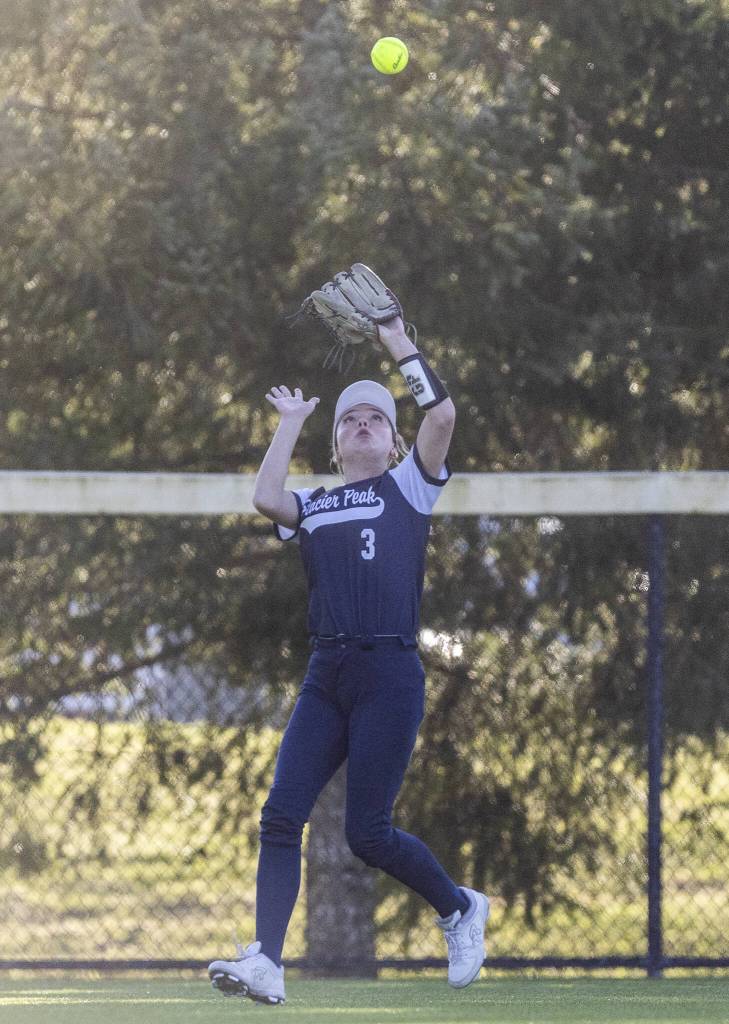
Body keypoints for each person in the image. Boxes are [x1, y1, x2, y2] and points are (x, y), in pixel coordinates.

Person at [208, 316, 489, 1005]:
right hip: (326, 674)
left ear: (393, 440)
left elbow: (443, 412)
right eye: (348, 421)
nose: (361, 424)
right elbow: (266, 497)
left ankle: (457, 908)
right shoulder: (317, 502)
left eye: (373, 418)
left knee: (367, 833)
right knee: (280, 817)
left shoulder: (409, 488)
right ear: (335, 444)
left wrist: (394, 339)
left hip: (389, 676)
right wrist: (291, 421)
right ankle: (267, 963)